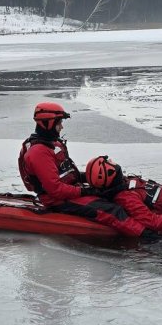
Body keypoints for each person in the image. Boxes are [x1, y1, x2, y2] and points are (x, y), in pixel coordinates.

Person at [18, 102, 152, 239]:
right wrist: (86, 191)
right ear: (48, 123)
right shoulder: (38, 153)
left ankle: (151, 217)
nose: (61, 127)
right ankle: (148, 236)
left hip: (70, 190)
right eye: (59, 123)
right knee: (112, 210)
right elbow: (55, 190)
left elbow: (70, 175)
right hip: (57, 200)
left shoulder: (52, 144)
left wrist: (96, 180)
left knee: (115, 191)